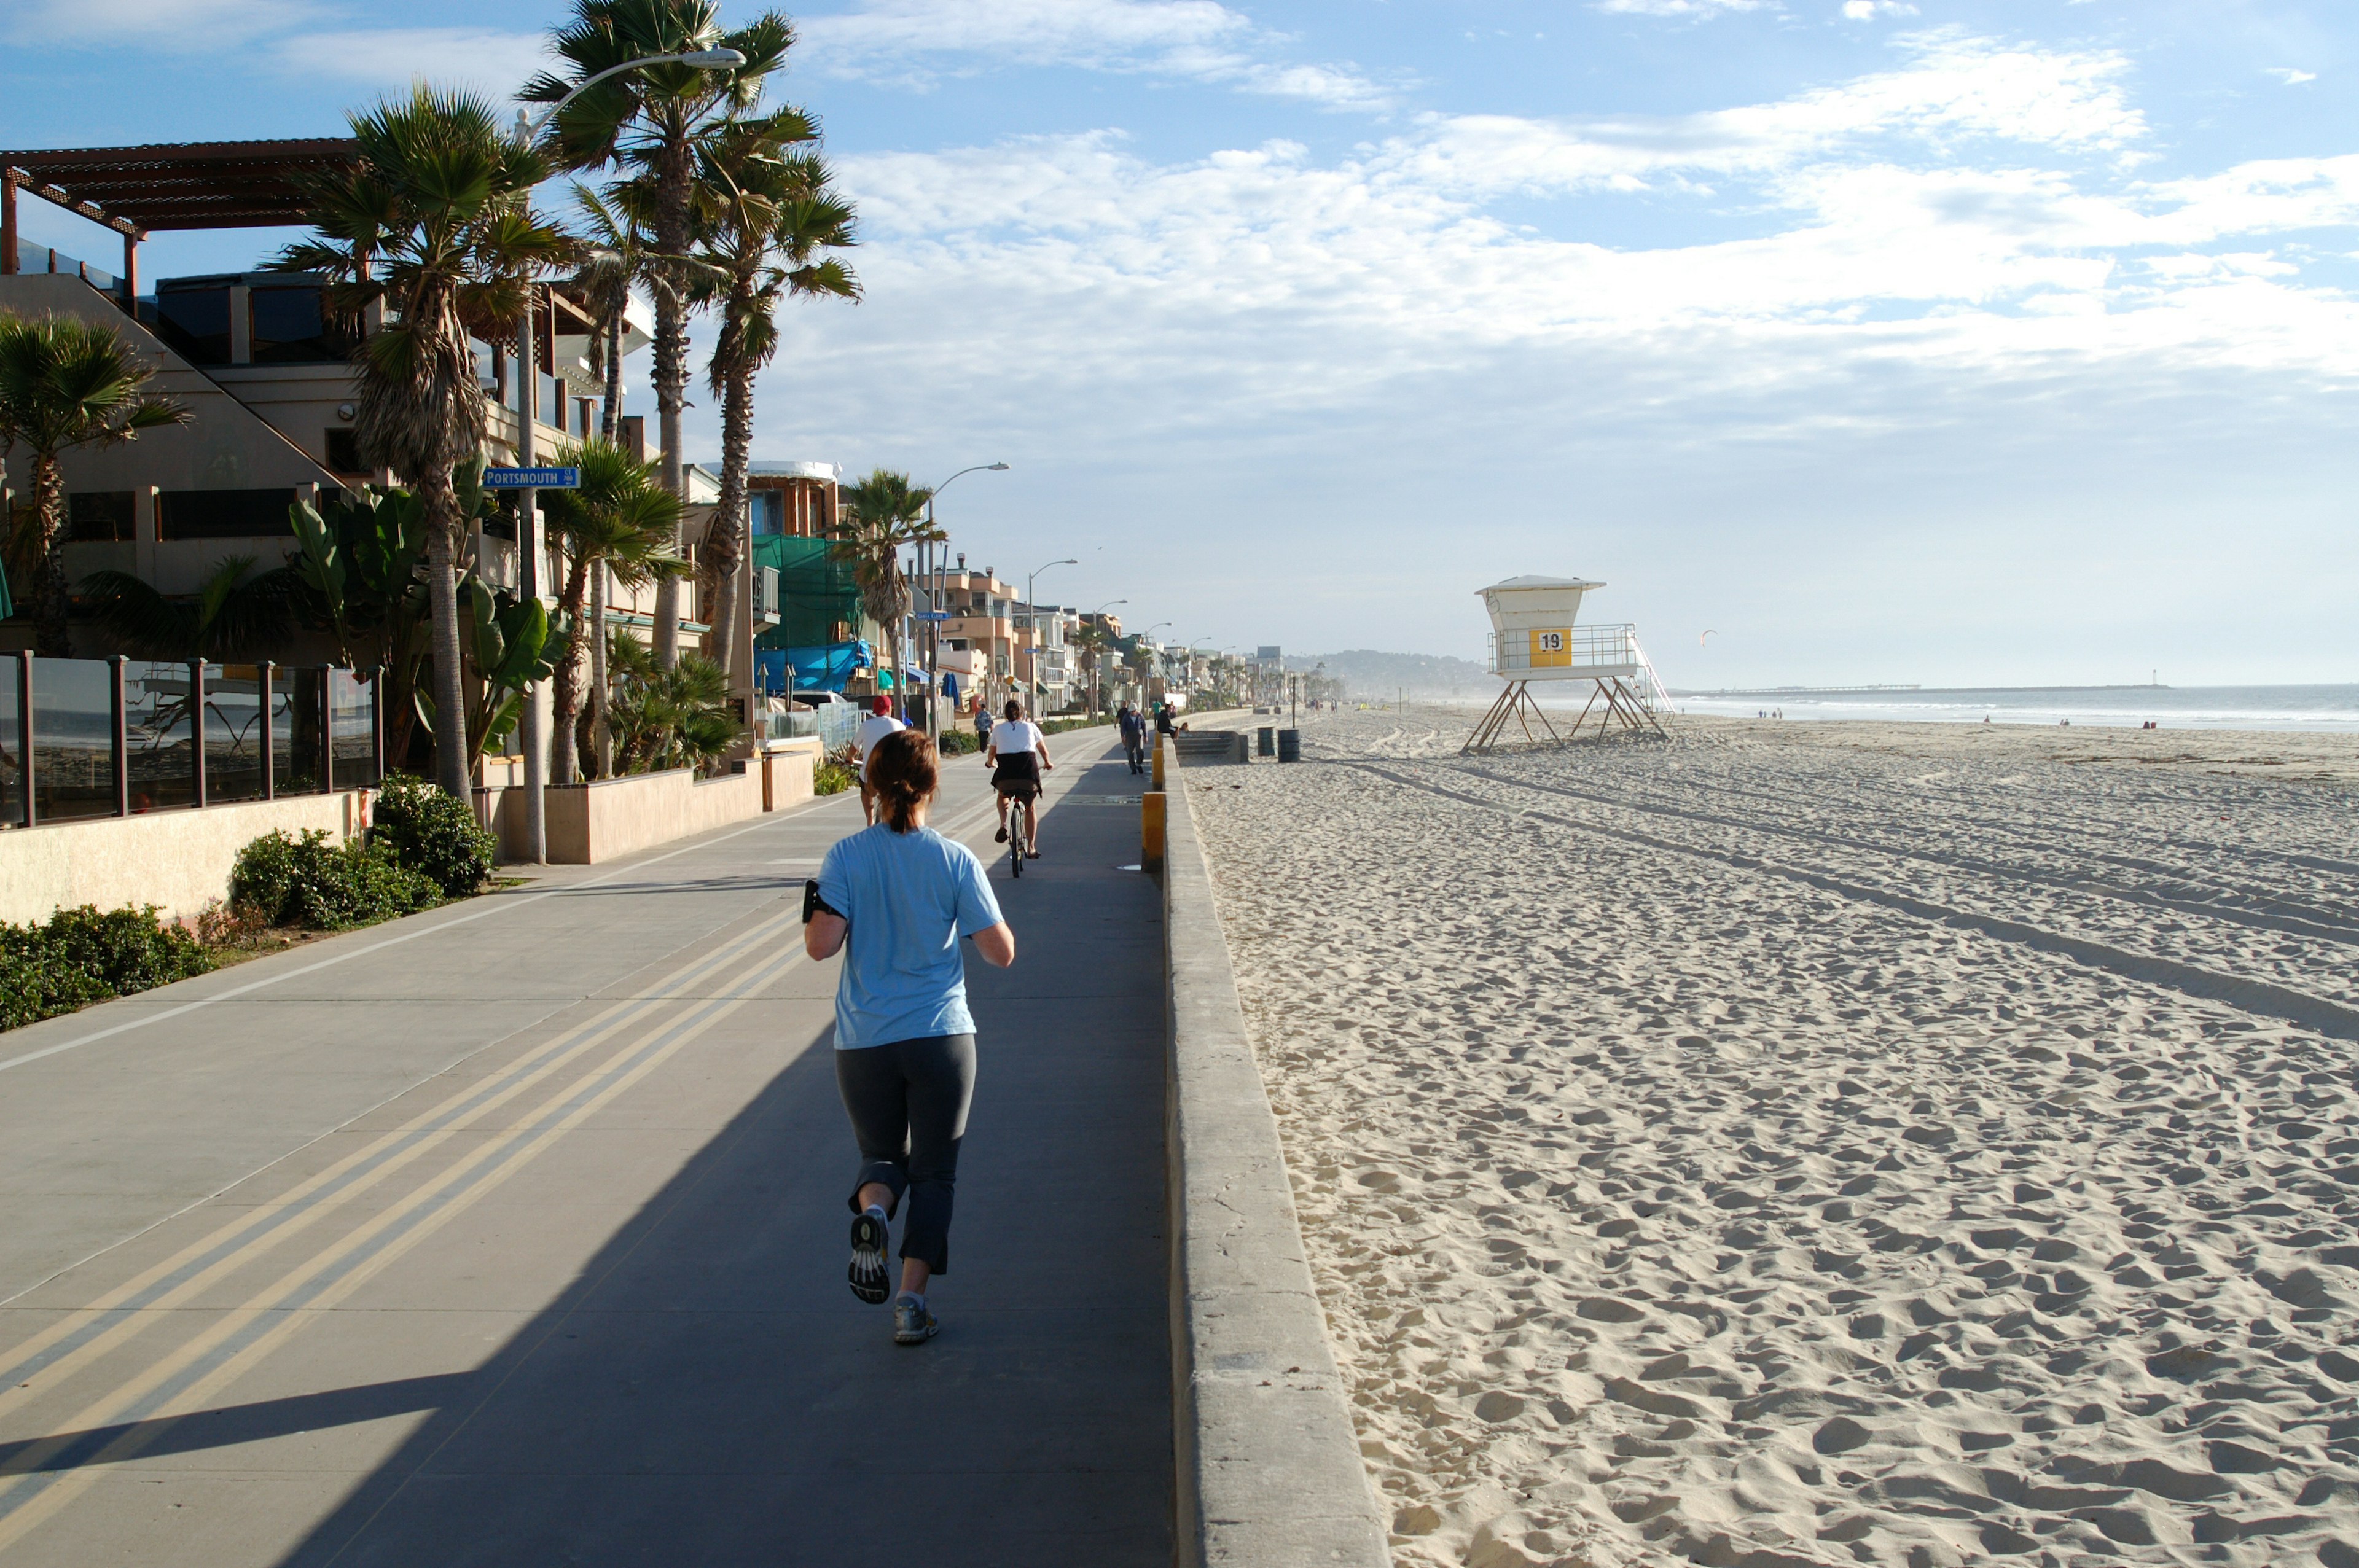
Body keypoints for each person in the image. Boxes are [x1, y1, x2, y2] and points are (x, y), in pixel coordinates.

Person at [807, 728, 1017, 1346]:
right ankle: (909, 1302)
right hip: (940, 1037)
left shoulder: (844, 857)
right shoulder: (955, 860)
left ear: (872, 785)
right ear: (932, 787)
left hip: (864, 1040)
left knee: (880, 1159)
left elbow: (821, 946)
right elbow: (1001, 954)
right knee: (933, 1175)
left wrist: (821, 905)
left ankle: (874, 1213)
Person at [985, 698, 1052, 856]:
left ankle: (1003, 824)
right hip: (1028, 776)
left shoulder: (998, 729)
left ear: (1006, 714)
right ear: (1022, 714)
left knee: (1002, 795)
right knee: (1030, 808)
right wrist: (1048, 763)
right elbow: (1043, 750)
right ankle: (1031, 848)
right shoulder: (1031, 727)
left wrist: (989, 763)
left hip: (1006, 776)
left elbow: (992, 753)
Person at [853, 695, 906, 827]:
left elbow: (853, 749)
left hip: (870, 775)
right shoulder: (898, 725)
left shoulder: (865, 725)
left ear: (874, 710)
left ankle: (870, 821)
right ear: (889, 708)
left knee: (865, 789)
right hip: (891, 774)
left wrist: (850, 759)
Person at [1117, 702, 1147, 776]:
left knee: (1140, 750)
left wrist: (1145, 736)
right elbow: (1123, 727)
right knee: (1130, 752)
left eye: (1135, 711)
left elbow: (1144, 726)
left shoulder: (1140, 716)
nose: (1134, 713)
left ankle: (1139, 764)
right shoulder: (1126, 717)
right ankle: (1133, 768)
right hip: (1129, 735)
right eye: (1132, 711)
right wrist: (1123, 736)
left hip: (1138, 735)